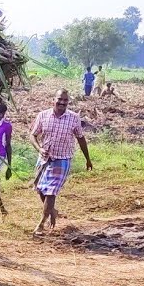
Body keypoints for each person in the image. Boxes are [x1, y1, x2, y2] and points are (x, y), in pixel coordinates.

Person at [30, 89, 92, 235]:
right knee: (40, 189)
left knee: (51, 192)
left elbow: (81, 138)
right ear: (54, 100)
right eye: (60, 99)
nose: (62, 103)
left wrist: (87, 159)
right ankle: (52, 210)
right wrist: (39, 149)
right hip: (44, 159)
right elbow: (33, 135)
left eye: (65, 101)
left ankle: (41, 224)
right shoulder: (43, 116)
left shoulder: (73, 118)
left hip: (62, 159)